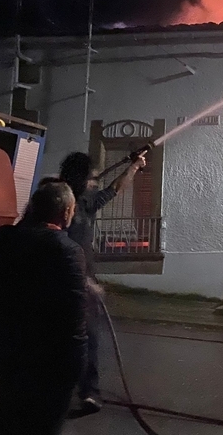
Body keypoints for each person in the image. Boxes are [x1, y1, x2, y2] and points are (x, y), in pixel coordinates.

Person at [0, 182, 87, 435]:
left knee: (3, 424)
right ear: (66, 213)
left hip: (5, 356)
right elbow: (74, 319)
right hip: (49, 364)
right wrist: (77, 365)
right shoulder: (68, 251)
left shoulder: (5, 238)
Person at [59, 151, 146, 413]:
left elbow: (114, 189)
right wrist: (84, 281)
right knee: (67, 338)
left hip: (84, 281)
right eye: (91, 177)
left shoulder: (86, 201)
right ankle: (61, 391)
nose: (95, 181)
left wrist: (134, 168)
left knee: (89, 337)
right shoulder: (59, 203)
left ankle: (88, 392)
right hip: (66, 282)